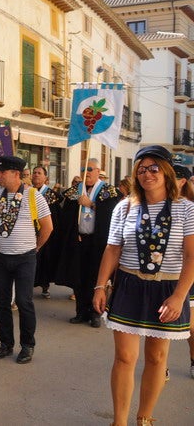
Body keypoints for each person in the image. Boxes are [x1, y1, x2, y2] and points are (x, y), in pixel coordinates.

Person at [93, 146, 194, 426]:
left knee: (156, 357)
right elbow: (113, 249)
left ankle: (144, 417)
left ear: (167, 172)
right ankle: (120, 421)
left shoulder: (186, 209)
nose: (147, 173)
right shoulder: (125, 206)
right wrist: (100, 287)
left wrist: (178, 297)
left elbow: (191, 256)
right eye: (141, 168)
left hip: (167, 290)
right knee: (125, 357)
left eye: (154, 168)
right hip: (129, 286)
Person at [0, 156, 53, 364]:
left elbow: (47, 227)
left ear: (15, 174)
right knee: (2, 303)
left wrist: (35, 248)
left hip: (25, 258)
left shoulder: (34, 197)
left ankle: (27, 345)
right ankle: (6, 343)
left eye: (2, 172)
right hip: (0, 257)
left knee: (24, 302)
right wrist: (2, 240)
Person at [55, 158, 121, 327]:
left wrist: (91, 204)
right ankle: (81, 312)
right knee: (78, 277)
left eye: (90, 169)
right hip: (78, 240)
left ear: (99, 171)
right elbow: (65, 217)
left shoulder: (109, 191)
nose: (87, 172)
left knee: (95, 277)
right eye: (83, 168)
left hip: (98, 242)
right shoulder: (75, 191)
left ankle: (96, 313)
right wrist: (72, 233)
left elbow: (112, 213)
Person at [173, 163, 194, 380]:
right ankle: (160, 365)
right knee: (162, 324)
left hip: (189, 273)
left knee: (191, 325)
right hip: (168, 273)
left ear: (182, 182)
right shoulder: (157, 203)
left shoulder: (191, 207)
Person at [31, 166, 62, 299]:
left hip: (45, 234)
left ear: (45, 178)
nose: (36, 175)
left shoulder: (51, 196)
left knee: (45, 260)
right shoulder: (27, 192)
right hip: (29, 232)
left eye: (39, 173)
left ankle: (45, 286)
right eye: (34, 173)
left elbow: (55, 217)